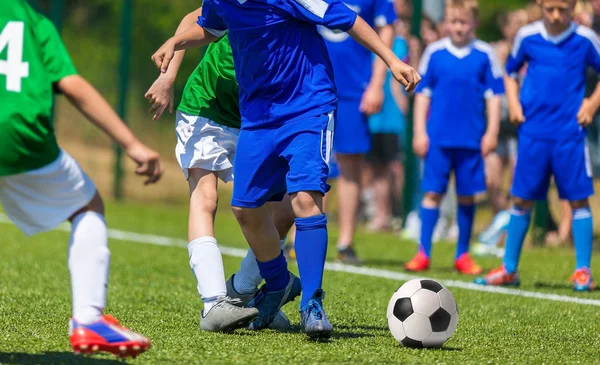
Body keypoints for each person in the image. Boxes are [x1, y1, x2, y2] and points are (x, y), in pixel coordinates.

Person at [151, 0, 420, 338]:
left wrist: (393, 60)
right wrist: (175, 43)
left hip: (307, 106)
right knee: (245, 208)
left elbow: (348, 18)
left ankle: (312, 303)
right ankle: (278, 283)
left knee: (304, 199)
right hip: (259, 114)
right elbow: (209, 25)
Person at [0, 0, 161, 358]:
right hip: (21, 137)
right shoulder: (31, 20)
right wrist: (132, 144)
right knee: (87, 203)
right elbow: (73, 86)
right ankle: (88, 318)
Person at [145, 8, 294, 332]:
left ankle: (241, 294)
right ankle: (213, 303)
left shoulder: (298, 7)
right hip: (206, 108)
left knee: (283, 211)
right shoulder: (239, 1)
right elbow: (192, 21)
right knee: (205, 198)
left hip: (257, 118)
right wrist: (168, 77)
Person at [475, 0, 600, 291]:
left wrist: (592, 105)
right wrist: (515, 104)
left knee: (578, 199)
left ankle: (583, 270)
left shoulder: (585, 39)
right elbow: (510, 72)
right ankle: (509, 269)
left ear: (572, 7)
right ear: (541, 5)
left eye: (563, 10)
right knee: (521, 199)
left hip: (570, 133)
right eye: (550, 9)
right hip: (533, 133)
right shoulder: (527, 36)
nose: (556, 16)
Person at [405, 0, 503, 275]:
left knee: (467, 196)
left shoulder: (485, 54)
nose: (458, 28)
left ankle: (462, 254)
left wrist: (492, 132)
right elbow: (423, 96)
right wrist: (419, 132)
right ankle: (423, 252)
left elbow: (494, 96)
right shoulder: (434, 54)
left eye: (463, 22)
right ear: (446, 23)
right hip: (438, 139)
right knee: (432, 193)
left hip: (471, 140)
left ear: (474, 23)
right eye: (453, 22)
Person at [319, 0, 396, 264]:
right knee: (309, 164)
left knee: (351, 166)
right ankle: (298, 239)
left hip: (354, 89)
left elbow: (386, 31)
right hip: (312, 87)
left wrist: (377, 84)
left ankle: (345, 243)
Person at [366, 20, 410, 232]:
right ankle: (382, 216)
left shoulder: (400, 44)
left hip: (393, 118)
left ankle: (400, 214)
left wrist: (405, 110)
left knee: (395, 168)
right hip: (375, 118)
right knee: (379, 170)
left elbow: (396, 84)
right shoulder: (368, 41)